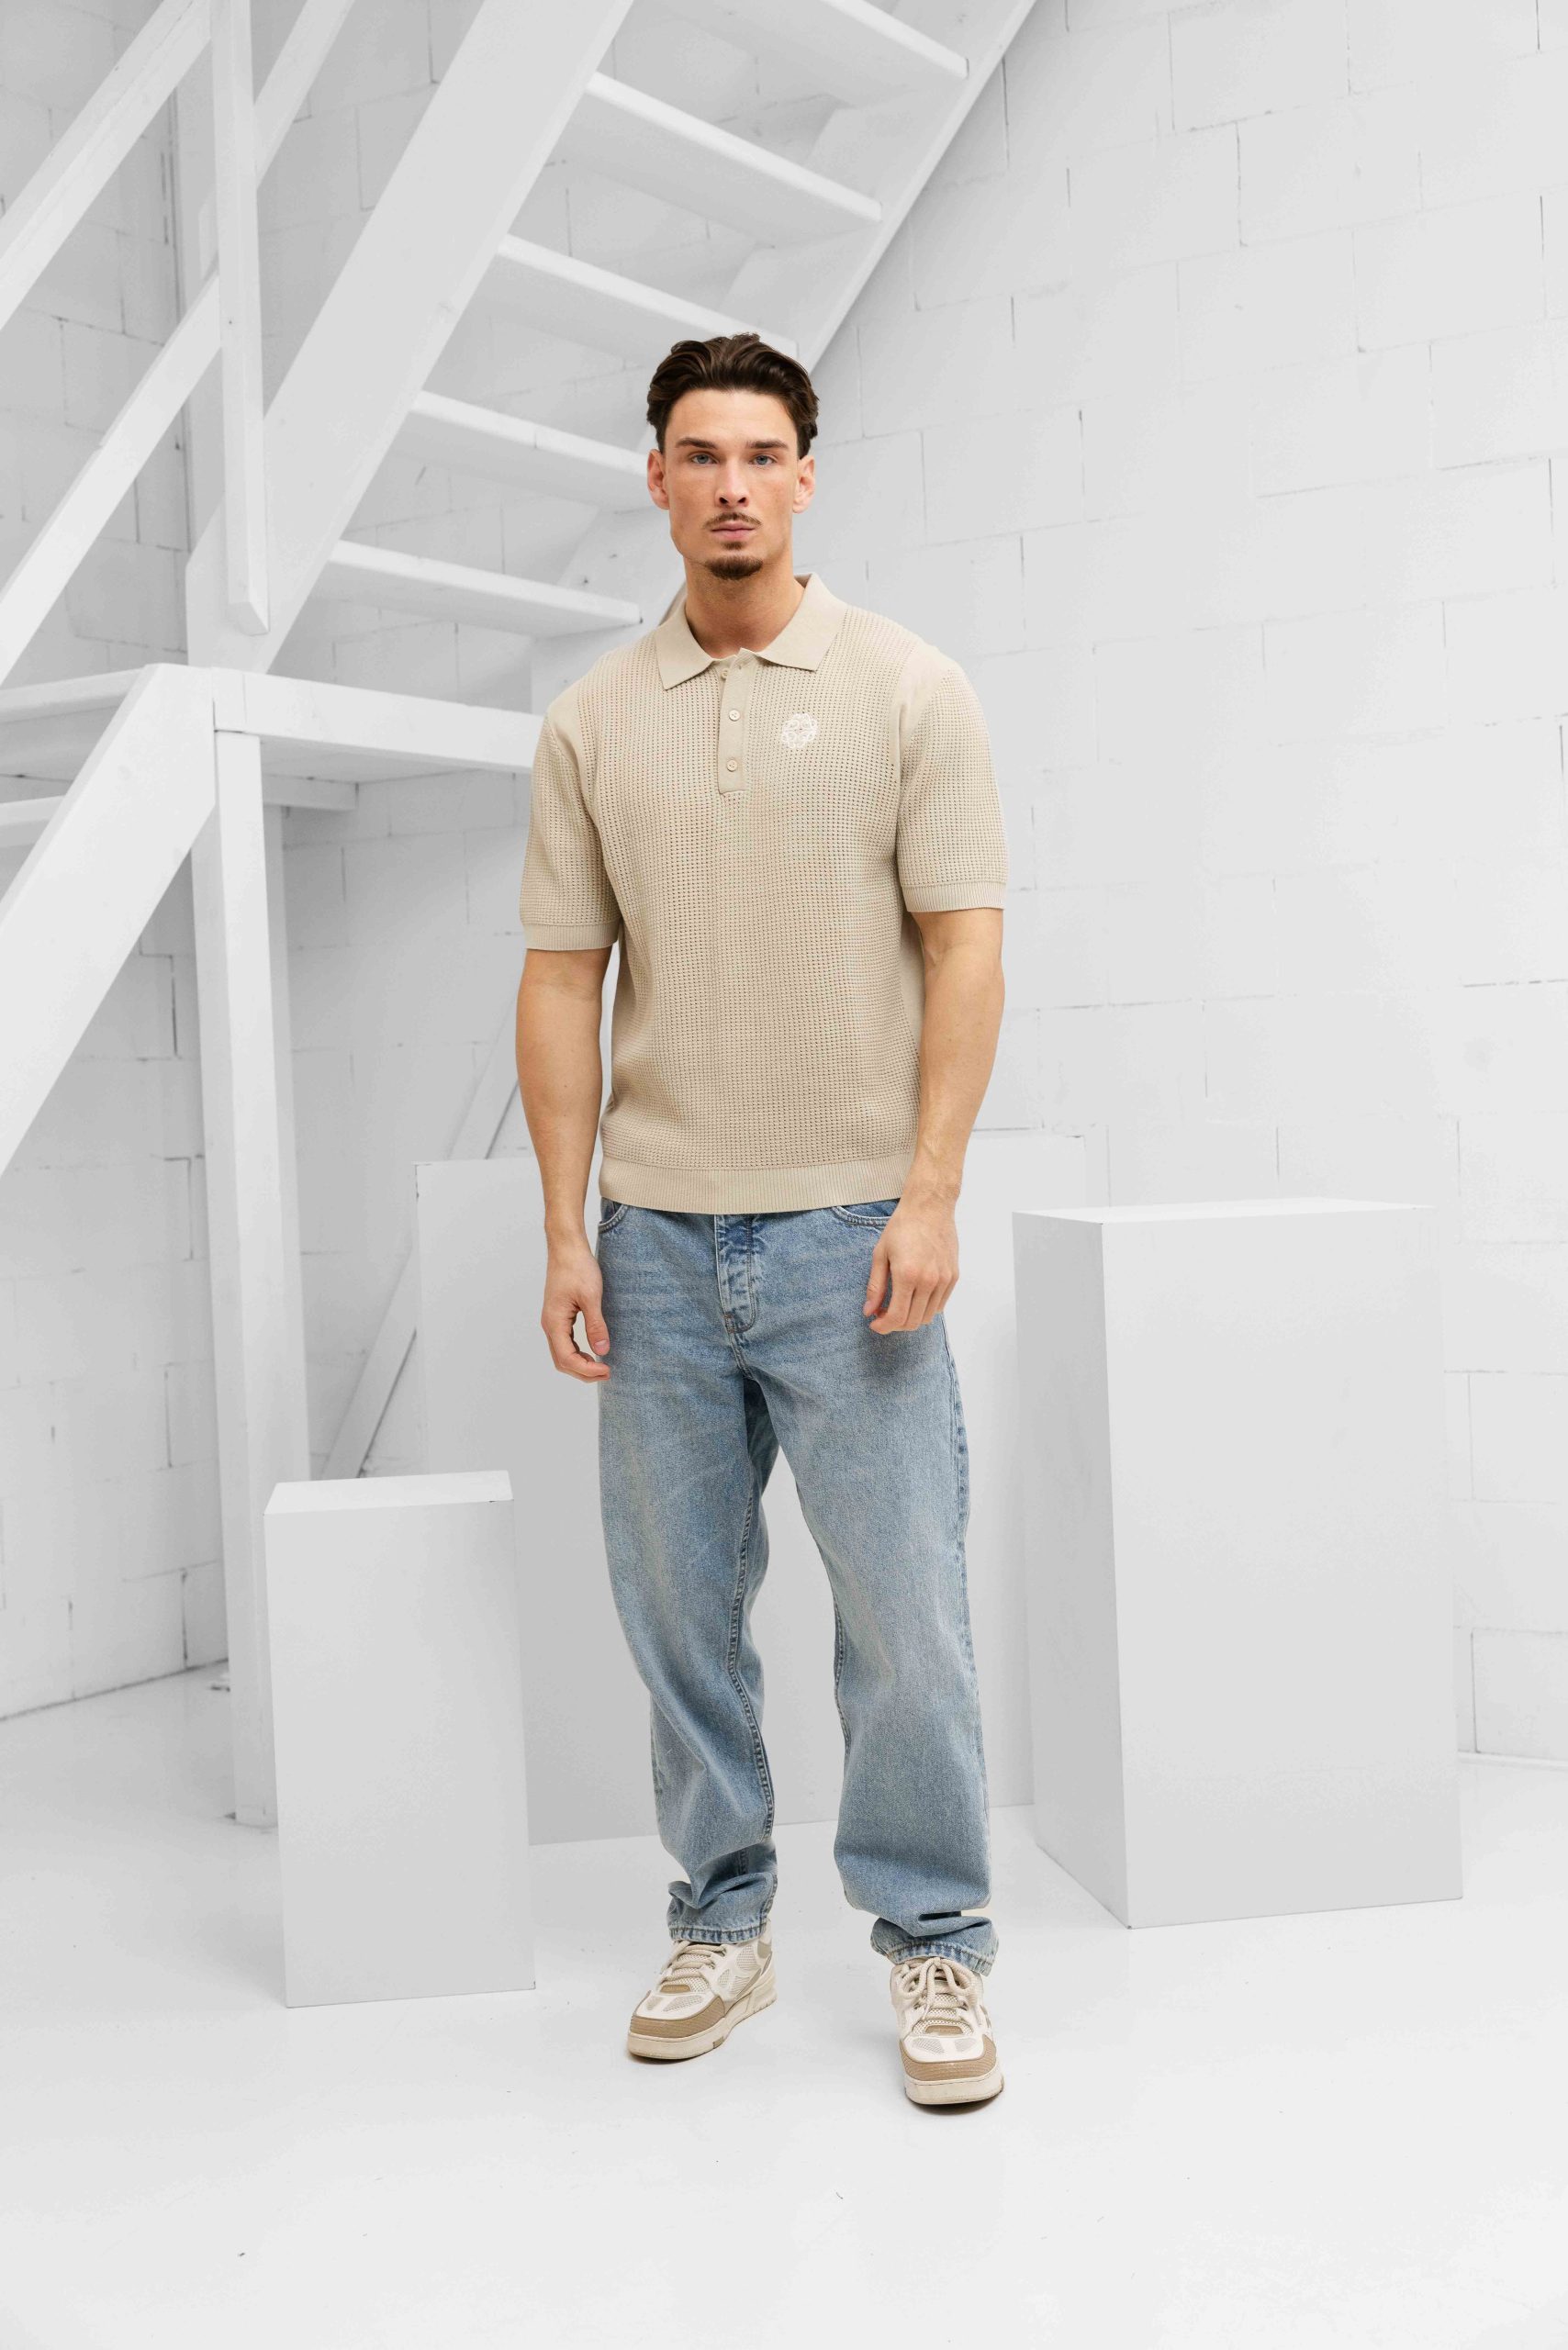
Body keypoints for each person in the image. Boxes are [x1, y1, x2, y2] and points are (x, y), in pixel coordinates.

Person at [514, 331, 1009, 2109]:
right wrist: (567, 1231)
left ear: (806, 476)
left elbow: (965, 946)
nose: (731, 485)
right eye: (699, 455)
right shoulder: (591, 722)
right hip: (654, 1237)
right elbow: (560, 980)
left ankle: (935, 1935)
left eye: (761, 455)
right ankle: (719, 1914)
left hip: (851, 1233)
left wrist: (931, 1191)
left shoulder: (906, 689)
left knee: (905, 1610)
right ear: (654, 477)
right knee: (677, 1613)